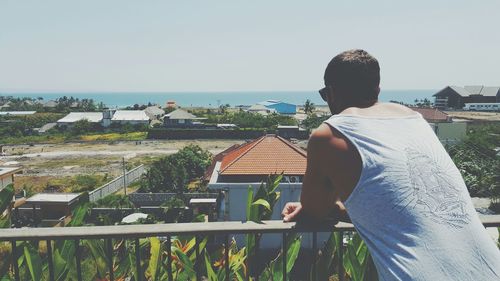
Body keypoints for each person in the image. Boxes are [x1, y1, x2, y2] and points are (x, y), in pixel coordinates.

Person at [281, 49, 500, 280]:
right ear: (377, 89)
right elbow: (406, 205)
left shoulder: (329, 135)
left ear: (331, 92)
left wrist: (322, 206)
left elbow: (315, 210)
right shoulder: (413, 119)